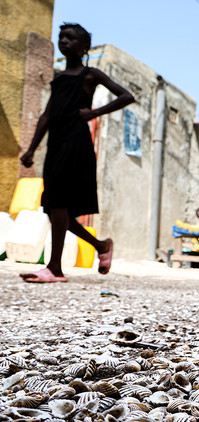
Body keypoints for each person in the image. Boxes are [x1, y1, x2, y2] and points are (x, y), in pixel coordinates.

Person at [19, 23, 135, 283]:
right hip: (55, 145)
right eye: (61, 37)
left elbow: (126, 96)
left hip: (76, 143)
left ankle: (54, 268)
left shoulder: (90, 75)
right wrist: (31, 148)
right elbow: (46, 115)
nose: (64, 40)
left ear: (84, 46)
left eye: (71, 37)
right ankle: (101, 246)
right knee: (53, 209)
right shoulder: (59, 79)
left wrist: (93, 114)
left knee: (59, 204)